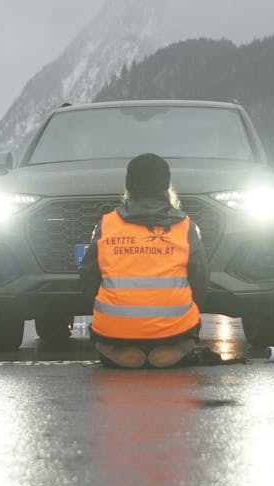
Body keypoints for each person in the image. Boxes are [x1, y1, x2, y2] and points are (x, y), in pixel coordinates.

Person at [80, 153, 210, 368]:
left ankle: (118, 351)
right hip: (175, 329)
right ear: (166, 185)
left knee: (105, 337)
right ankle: (174, 350)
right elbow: (201, 277)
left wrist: (104, 308)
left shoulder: (106, 225)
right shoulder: (186, 226)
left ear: (129, 185)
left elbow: (87, 275)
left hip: (115, 330)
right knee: (186, 333)